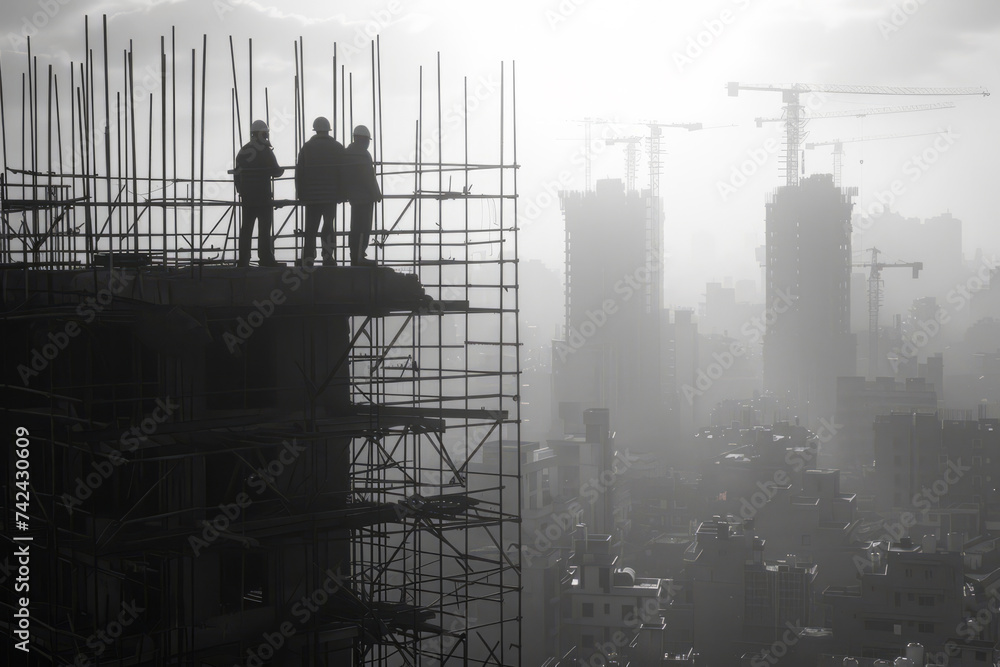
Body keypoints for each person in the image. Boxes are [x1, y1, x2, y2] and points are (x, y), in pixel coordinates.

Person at [295, 116, 345, 266]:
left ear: (315, 130)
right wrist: (343, 193)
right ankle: (328, 257)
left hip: (311, 196)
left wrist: (300, 193)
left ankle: (308, 258)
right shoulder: (337, 147)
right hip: (331, 195)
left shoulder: (307, 147)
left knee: (311, 228)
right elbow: (343, 171)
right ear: (328, 130)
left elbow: (300, 172)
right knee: (329, 225)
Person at [234, 119, 284, 267]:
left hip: (248, 197)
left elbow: (237, 174)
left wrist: (241, 191)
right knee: (264, 229)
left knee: (246, 229)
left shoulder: (243, 151)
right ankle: (265, 258)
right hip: (263, 197)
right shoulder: (265, 151)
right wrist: (282, 170)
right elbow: (276, 171)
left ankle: (243, 259)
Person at [343, 124, 382, 266]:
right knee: (364, 228)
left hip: (353, 196)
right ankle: (360, 256)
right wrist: (377, 194)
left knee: (355, 227)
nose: (368, 143)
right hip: (365, 197)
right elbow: (368, 177)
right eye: (367, 140)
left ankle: (355, 256)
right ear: (363, 139)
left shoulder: (346, 152)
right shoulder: (363, 154)